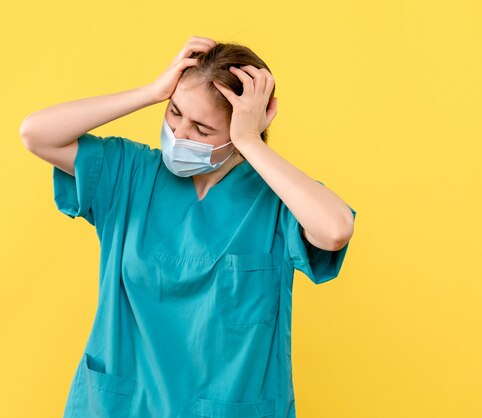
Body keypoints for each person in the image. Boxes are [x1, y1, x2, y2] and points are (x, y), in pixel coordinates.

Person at [20, 35, 357, 418]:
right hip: (120, 406)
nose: (179, 135)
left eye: (202, 129)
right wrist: (151, 92)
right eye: (175, 113)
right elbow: (36, 133)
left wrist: (251, 141)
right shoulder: (132, 174)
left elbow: (334, 230)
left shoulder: (278, 202)